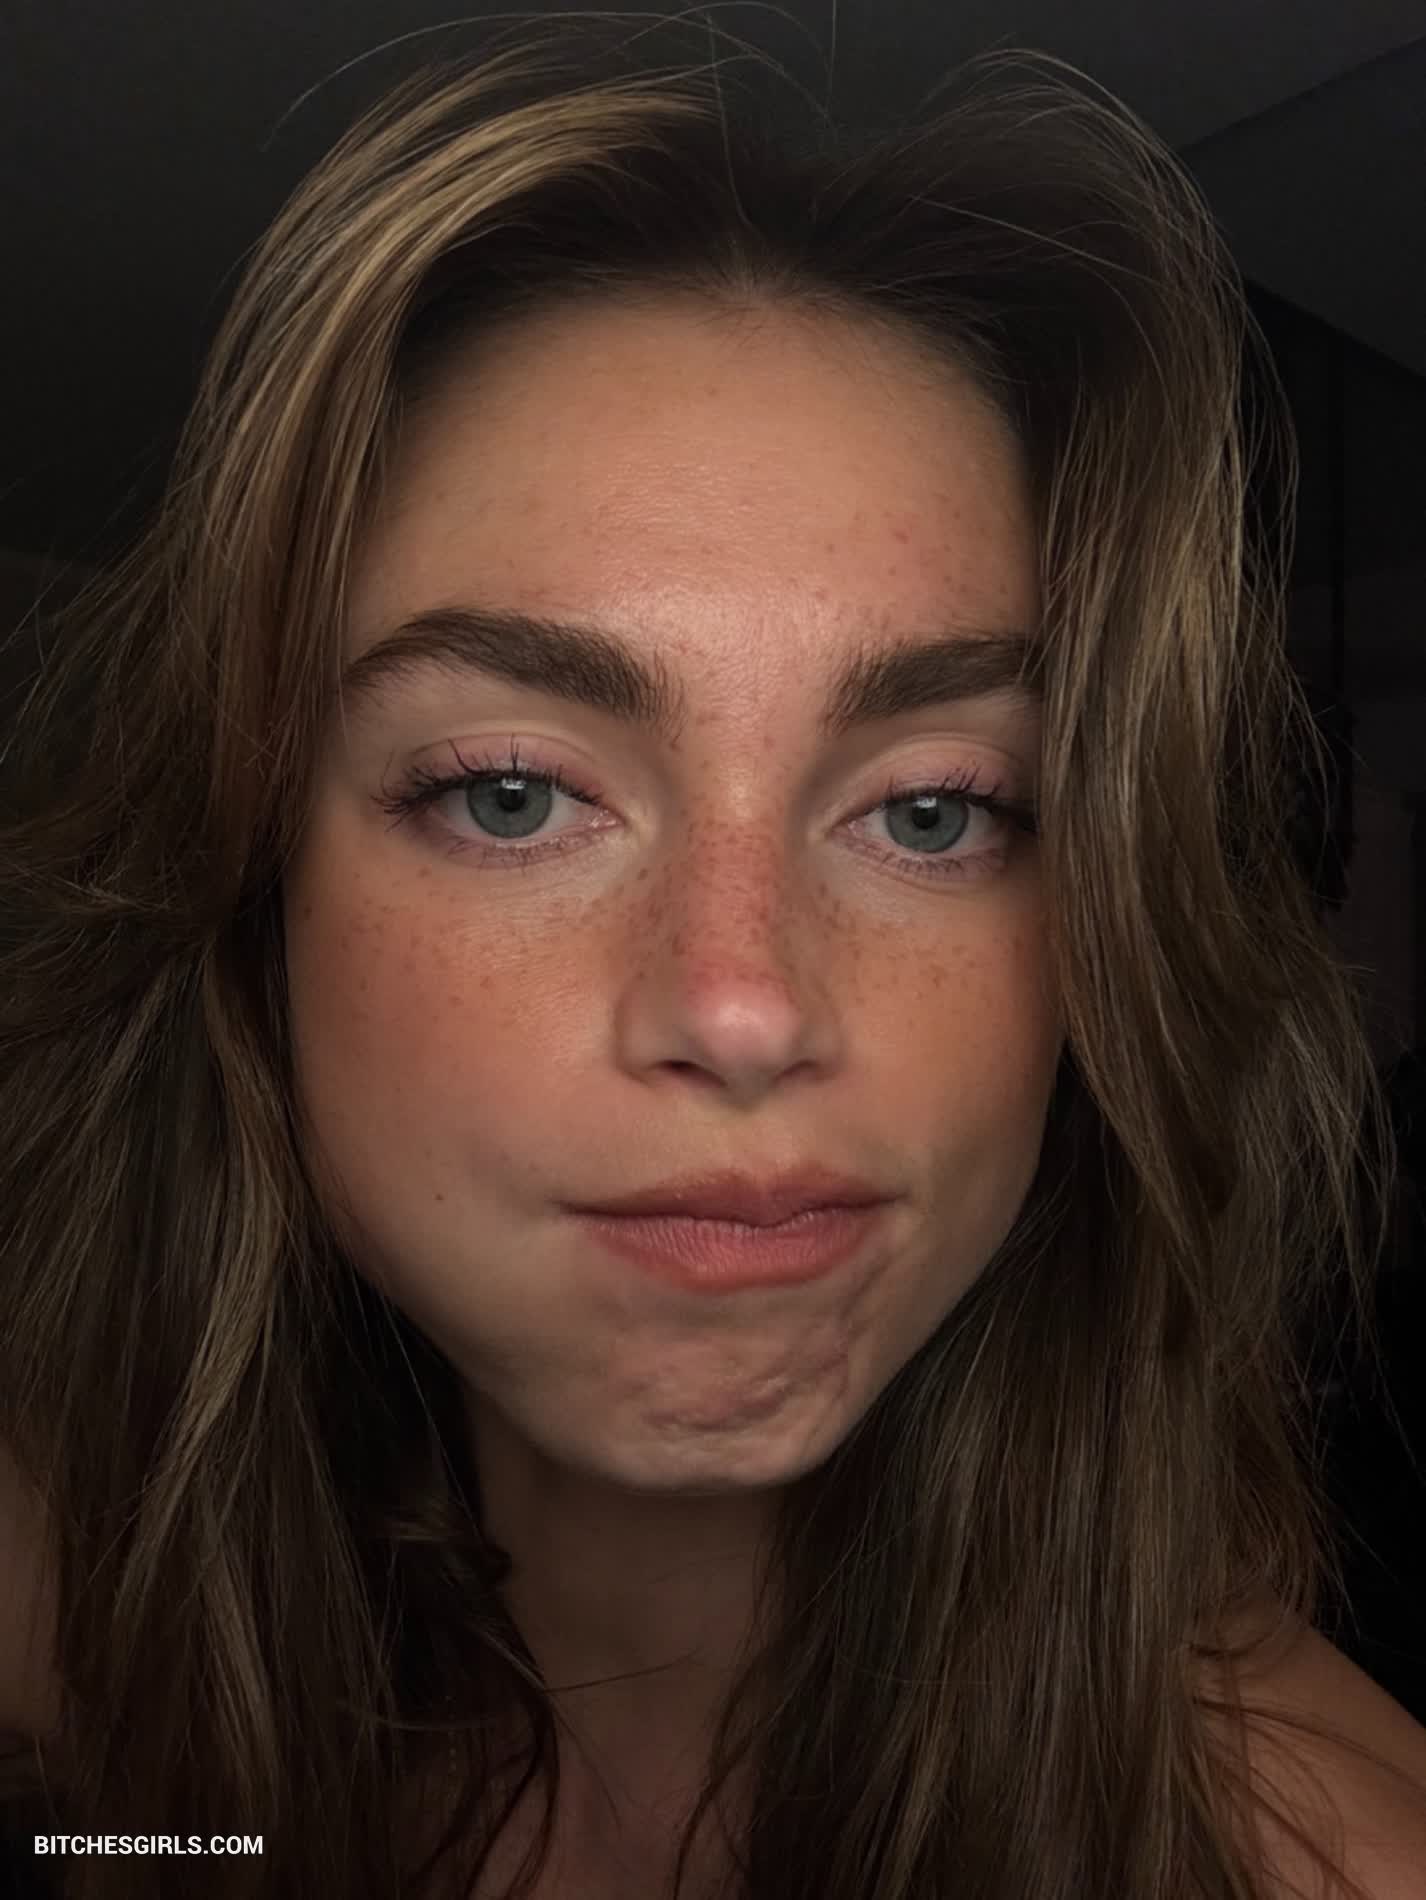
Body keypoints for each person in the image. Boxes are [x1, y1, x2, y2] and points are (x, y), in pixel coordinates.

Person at [2, 17, 1424, 1899]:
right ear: (253, 905)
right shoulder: (102, 1627)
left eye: (935, 811)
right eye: (511, 793)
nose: (744, 1007)